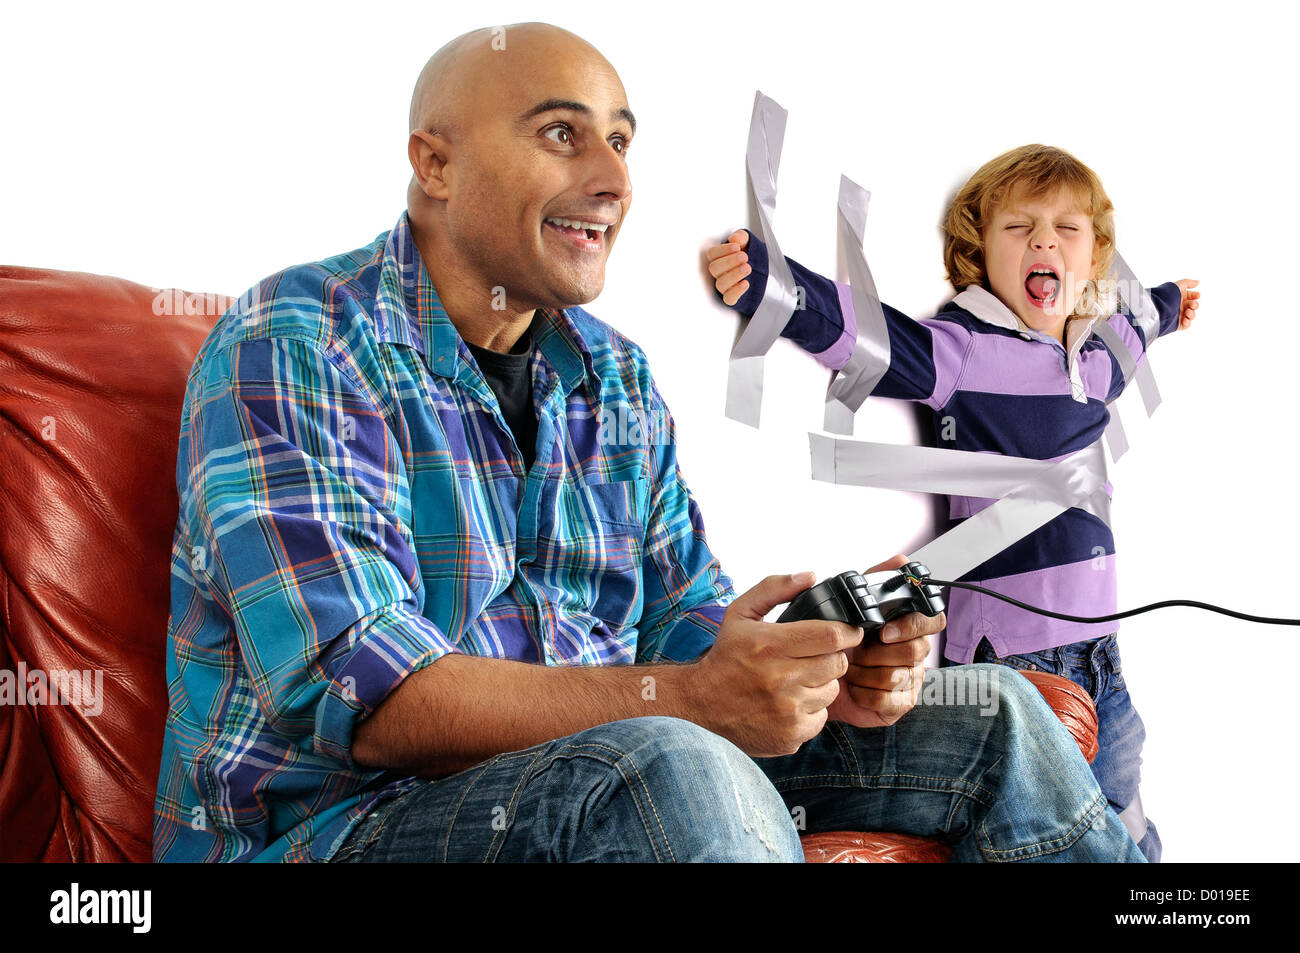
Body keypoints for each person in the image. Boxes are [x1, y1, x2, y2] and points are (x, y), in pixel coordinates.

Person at [152, 23, 1144, 863]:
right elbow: (374, 701)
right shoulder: (296, 338)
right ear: (434, 163)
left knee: (997, 711)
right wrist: (694, 698)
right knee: (679, 761)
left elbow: (674, 619)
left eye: (622, 142)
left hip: (602, 753)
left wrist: (806, 665)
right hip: (340, 825)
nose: (611, 178)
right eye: (560, 134)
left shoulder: (613, 375)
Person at [706, 144, 1200, 862]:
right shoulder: (967, 352)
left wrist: (1171, 305)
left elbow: (1138, 324)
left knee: (1121, 804)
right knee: (1037, 825)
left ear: (1093, 260)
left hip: (1103, 652)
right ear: (979, 253)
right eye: (1019, 227)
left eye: (1067, 229)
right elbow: (866, 337)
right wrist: (771, 286)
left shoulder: (1097, 361)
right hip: (1019, 661)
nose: (1044, 241)